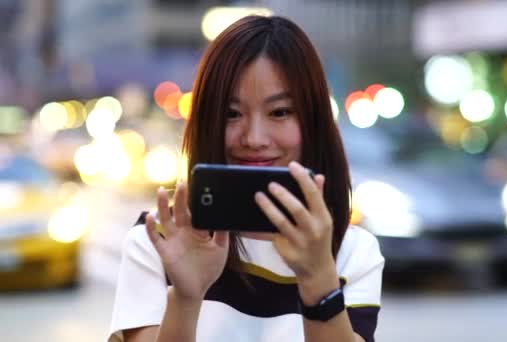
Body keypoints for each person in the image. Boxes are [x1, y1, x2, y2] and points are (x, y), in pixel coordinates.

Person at [108, 15, 384, 342]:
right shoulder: (158, 241)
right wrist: (185, 298)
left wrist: (318, 279)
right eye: (231, 114)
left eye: (279, 112)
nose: (254, 138)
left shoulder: (353, 250)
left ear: (313, 122)